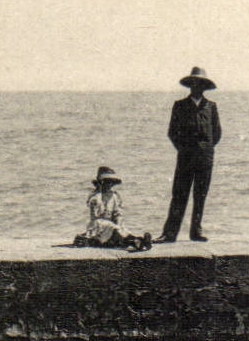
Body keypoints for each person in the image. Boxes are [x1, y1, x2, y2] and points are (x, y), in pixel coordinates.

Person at [159, 66, 221, 243]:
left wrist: (205, 148)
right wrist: (184, 148)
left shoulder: (211, 107)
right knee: (179, 194)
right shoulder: (180, 106)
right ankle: (170, 233)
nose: (197, 87)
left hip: (205, 158)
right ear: (190, 85)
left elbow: (216, 133)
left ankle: (196, 231)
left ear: (204, 86)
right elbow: (172, 132)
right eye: (194, 83)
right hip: (185, 157)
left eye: (200, 83)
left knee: (200, 195)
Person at [74, 167, 151, 251]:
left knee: (122, 231)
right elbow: (96, 214)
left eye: (111, 182)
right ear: (100, 183)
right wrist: (98, 196)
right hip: (98, 224)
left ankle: (139, 241)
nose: (109, 185)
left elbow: (117, 212)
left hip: (112, 224)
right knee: (113, 229)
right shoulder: (95, 196)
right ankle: (136, 242)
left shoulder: (114, 196)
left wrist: (118, 221)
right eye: (106, 182)